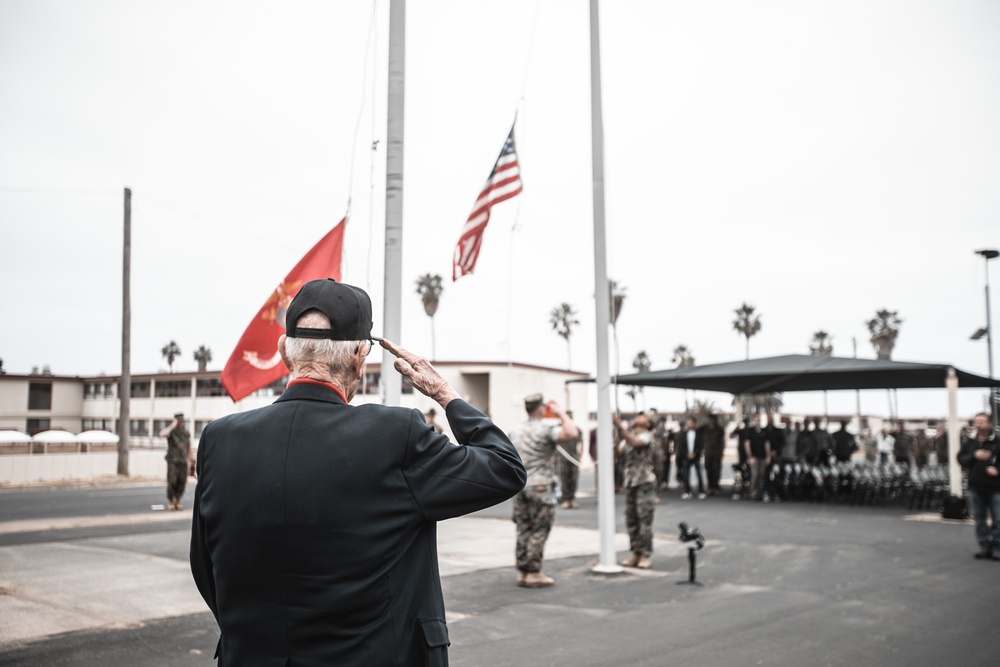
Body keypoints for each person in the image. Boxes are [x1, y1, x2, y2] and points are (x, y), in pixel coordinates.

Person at [189, 278, 526, 665]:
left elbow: (205, 565)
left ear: (285, 353)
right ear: (357, 359)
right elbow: (504, 467)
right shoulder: (394, 435)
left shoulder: (220, 439)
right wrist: (444, 394)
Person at [510, 393, 579, 587]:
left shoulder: (515, 430)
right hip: (541, 486)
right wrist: (561, 413)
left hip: (520, 485)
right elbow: (571, 433)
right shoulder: (546, 428)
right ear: (541, 409)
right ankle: (533, 572)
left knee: (523, 528)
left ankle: (522, 571)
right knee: (539, 529)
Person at [615, 411, 657, 569]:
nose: (638, 416)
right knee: (631, 519)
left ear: (648, 423)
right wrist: (616, 435)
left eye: (643, 416)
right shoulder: (628, 435)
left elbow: (635, 443)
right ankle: (635, 552)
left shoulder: (647, 435)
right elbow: (619, 453)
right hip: (630, 482)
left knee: (644, 519)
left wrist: (621, 428)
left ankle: (645, 554)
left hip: (644, 481)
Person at [957, 412, 999, 560]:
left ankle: (996, 548)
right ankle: (984, 546)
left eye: (982, 421)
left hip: (996, 488)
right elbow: (960, 459)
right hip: (975, 487)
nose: (978, 424)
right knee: (979, 519)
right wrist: (974, 456)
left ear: (989, 424)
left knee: (998, 519)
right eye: (976, 421)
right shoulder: (969, 442)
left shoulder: (997, 441)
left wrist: (997, 469)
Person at [159, 412, 192, 511]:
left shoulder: (186, 433)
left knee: (182, 481)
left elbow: (188, 446)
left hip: (183, 461)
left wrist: (191, 459)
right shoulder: (171, 432)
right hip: (173, 461)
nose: (181, 423)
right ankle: (171, 500)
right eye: (179, 421)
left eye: (182, 421)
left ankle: (178, 500)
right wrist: (172, 425)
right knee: (172, 481)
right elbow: (161, 434)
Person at [742, 414, 771, 501]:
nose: (757, 422)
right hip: (754, 457)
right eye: (756, 420)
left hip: (762, 457)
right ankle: (753, 493)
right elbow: (746, 444)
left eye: (758, 420)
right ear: (754, 421)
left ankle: (760, 492)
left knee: (762, 474)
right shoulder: (750, 431)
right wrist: (750, 457)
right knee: (755, 474)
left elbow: (767, 444)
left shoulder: (764, 431)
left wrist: (768, 456)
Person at [557, 410, 582, 509]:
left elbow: (581, 443)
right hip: (562, 458)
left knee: (574, 479)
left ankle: (572, 499)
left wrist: (581, 455)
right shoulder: (558, 429)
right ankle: (566, 500)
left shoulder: (577, 430)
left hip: (574, 457)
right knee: (564, 478)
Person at [676, 416, 705, 499]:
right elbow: (681, 446)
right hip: (686, 457)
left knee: (699, 474)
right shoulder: (683, 434)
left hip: (696, 457)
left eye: (691, 423)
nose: (689, 425)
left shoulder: (698, 433)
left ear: (694, 424)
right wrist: (687, 454)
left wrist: (695, 453)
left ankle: (701, 491)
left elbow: (700, 445)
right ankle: (687, 491)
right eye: (688, 423)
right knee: (686, 475)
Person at [702, 414, 725, 496]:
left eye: (712, 420)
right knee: (709, 470)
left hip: (717, 453)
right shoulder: (704, 429)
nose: (711, 421)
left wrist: (722, 452)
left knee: (716, 471)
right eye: (709, 419)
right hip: (708, 453)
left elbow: (722, 442)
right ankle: (710, 487)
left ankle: (716, 487)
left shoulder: (719, 430)